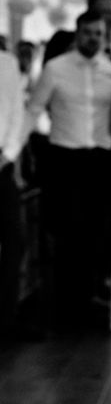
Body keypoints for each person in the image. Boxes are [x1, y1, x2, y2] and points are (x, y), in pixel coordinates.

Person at [24, 10, 111, 328]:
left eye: (98, 33)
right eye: (87, 32)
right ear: (77, 33)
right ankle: (65, 309)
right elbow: (33, 110)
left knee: (99, 232)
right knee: (66, 232)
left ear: (104, 37)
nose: (93, 38)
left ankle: (91, 305)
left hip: (101, 160)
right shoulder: (54, 69)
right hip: (64, 159)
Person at [0, 50, 25, 337]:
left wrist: (7, 155)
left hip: (2, 163)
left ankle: (6, 318)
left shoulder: (7, 62)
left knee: (14, 241)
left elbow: (17, 114)